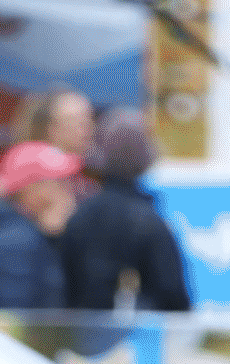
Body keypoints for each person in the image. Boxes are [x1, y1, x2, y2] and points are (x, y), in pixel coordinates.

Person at [60, 109, 192, 312]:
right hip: (138, 338)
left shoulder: (79, 215)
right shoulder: (147, 221)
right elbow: (172, 294)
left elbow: (65, 287)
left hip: (83, 336)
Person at [0, 141, 81, 310]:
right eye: (59, 182)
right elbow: (17, 319)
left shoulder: (30, 235)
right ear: (30, 189)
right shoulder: (17, 243)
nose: (68, 190)